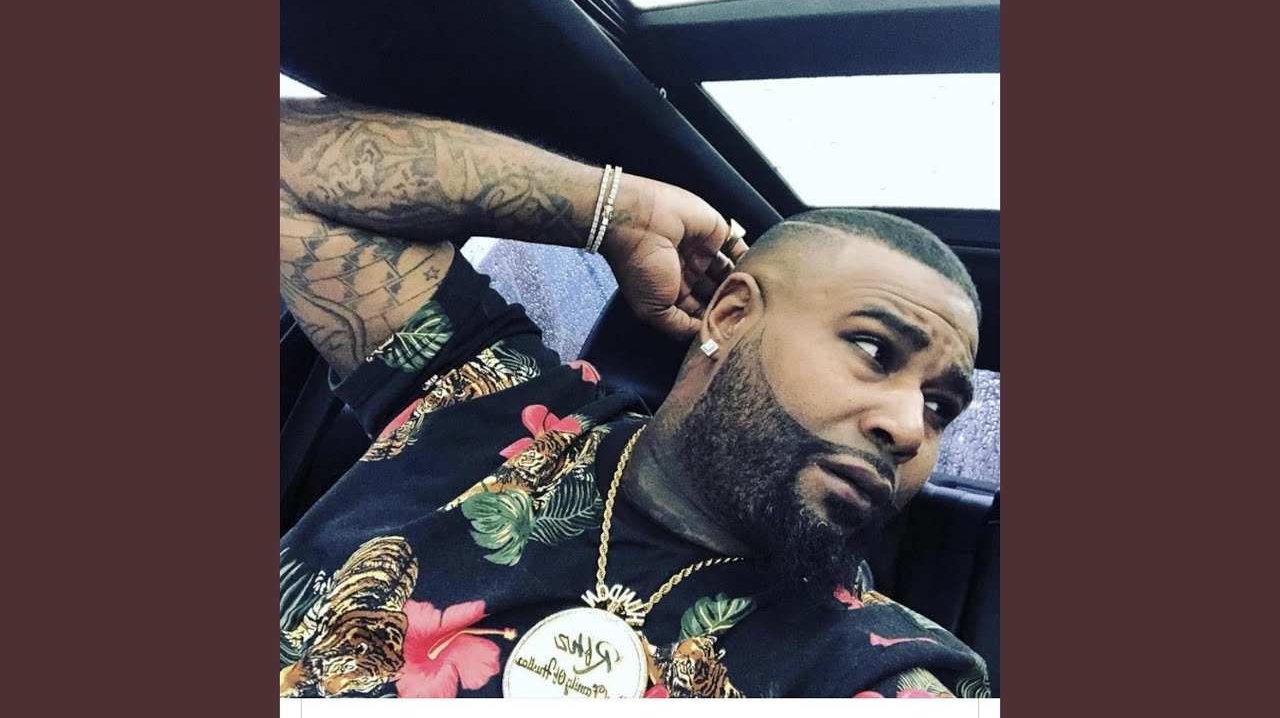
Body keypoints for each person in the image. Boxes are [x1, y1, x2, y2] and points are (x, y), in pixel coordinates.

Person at [278, 97, 991, 699]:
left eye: (940, 407)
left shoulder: (884, 674)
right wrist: (615, 209)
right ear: (731, 317)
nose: (908, 428)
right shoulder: (486, 397)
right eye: (874, 350)